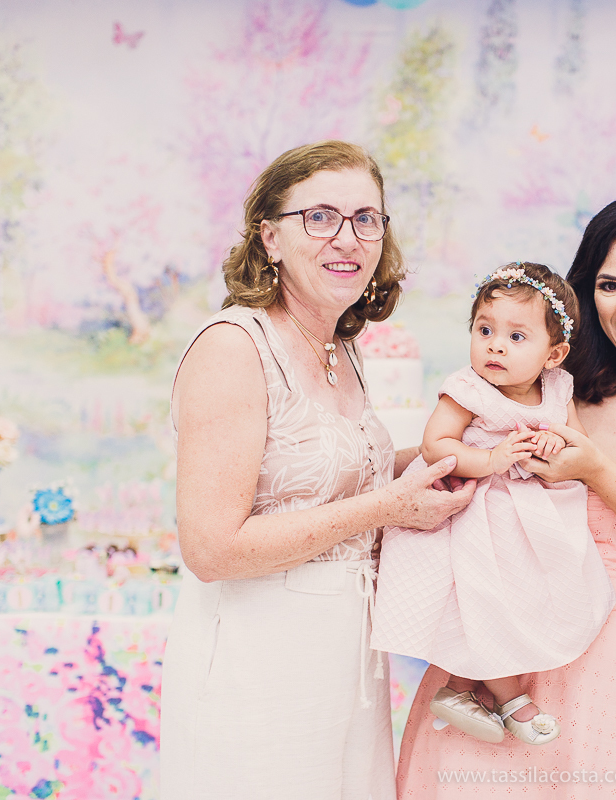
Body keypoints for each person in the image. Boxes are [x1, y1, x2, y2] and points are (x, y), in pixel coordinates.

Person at [395, 193, 616, 798]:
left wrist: (595, 472)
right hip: (499, 666)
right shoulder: (548, 387)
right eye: (610, 285)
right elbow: (438, 451)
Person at [161, 140, 476, 800]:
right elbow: (212, 548)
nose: (349, 237)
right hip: (257, 674)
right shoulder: (234, 346)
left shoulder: (339, 347)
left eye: (367, 218)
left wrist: (455, 453)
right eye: (321, 216)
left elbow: (336, 472)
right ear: (270, 237)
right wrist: (389, 506)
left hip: (346, 670)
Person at [372, 262, 614, 747]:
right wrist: (490, 457)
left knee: (534, 594)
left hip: (532, 517)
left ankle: (461, 689)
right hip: (473, 509)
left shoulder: (559, 388)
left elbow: (576, 444)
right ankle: (509, 699)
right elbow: (435, 444)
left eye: (516, 336)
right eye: (485, 330)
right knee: (483, 596)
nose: (495, 345)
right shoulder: (469, 389)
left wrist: (553, 447)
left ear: (555, 353)